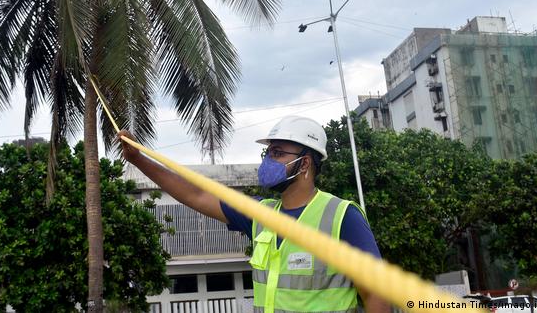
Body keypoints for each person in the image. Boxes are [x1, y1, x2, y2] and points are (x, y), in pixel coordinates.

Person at [119, 115, 389, 313]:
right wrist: (138, 159)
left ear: (305, 163)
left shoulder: (342, 217)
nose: (267, 161)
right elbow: (197, 195)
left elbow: (376, 294)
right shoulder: (260, 214)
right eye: (268, 152)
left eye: (278, 153)